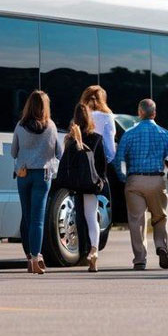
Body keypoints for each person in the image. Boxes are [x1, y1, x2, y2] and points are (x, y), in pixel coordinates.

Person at [114, 98, 168, 270]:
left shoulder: (129, 134)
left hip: (134, 181)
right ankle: (161, 246)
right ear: (154, 113)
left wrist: (124, 178)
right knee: (160, 217)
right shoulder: (165, 134)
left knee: (136, 221)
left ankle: (140, 259)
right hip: (157, 180)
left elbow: (118, 160)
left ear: (139, 112)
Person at [11, 90, 63, 275]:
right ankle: (36, 257)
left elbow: (13, 152)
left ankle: (28, 257)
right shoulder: (51, 126)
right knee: (37, 219)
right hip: (43, 174)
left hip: (23, 174)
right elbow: (59, 152)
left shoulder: (20, 125)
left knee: (26, 216)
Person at [56, 103, 107, 272]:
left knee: (78, 221)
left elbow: (66, 163)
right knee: (92, 219)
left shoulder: (69, 139)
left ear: (75, 119)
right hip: (90, 185)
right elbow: (102, 165)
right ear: (89, 118)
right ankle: (94, 251)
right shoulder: (97, 138)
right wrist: (100, 181)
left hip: (74, 185)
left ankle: (83, 253)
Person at [80, 85, 117, 166]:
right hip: (98, 160)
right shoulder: (107, 116)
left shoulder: (80, 114)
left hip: (80, 159)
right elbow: (109, 144)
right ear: (102, 100)